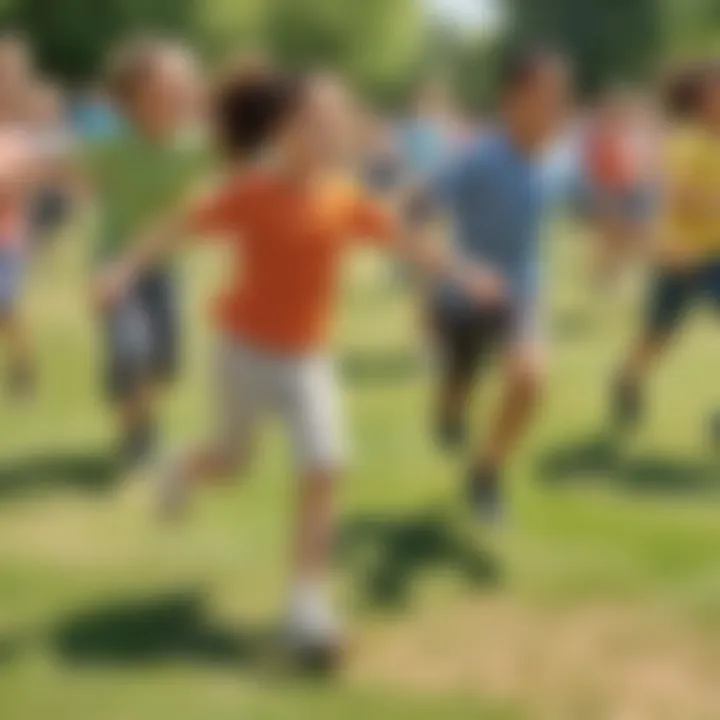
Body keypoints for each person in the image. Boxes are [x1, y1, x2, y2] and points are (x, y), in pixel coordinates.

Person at [95, 65, 494, 664]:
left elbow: (408, 241)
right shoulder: (248, 192)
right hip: (243, 352)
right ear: (281, 130)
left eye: (338, 122)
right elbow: (173, 227)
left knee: (326, 465)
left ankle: (307, 608)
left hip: (309, 358)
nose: (330, 133)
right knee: (231, 462)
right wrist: (121, 271)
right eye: (316, 121)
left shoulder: (345, 196)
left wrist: (465, 273)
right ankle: (184, 466)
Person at [416, 46, 575, 524]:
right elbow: (418, 214)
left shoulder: (561, 160)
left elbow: (596, 204)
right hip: (465, 292)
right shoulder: (478, 158)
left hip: (522, 291)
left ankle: (486, 473)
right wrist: (440, 279)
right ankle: (449, 411)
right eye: (543, 94)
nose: (555, 105)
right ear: (511, 100)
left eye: (560, 95)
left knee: (530, 377)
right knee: (458, 385)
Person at [86, 37, 206, 470]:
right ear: (133, 101)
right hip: (114, 266)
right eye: (165, 92)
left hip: (163, 268)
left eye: (184, 91)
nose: (177, 100)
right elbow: (46, 164)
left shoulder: (197, 146)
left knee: (165, 361)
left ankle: (142, 409)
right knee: (132, 348)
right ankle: (134, 431)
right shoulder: (111, 145)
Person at [614, 62, 720, 433]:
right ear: (702, 101)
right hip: (680, 255)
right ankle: (628, 380)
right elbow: (677, 197)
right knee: (657, 335)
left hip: (714, 256)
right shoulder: (684, 141)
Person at [581, 90, 658, 284]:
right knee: (610, 236)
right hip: (608, 189)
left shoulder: (626, 136)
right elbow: (595, 165)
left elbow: (635, 163)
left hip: (626, 188)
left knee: (623, 235)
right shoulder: (601, 136)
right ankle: (602, 275)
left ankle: (611, 273)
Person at [26, 80, 76, 249]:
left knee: (48, 233)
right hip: (33, 193)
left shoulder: (62, 136)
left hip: (53, 194)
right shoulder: (28, 133)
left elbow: (68, 169)